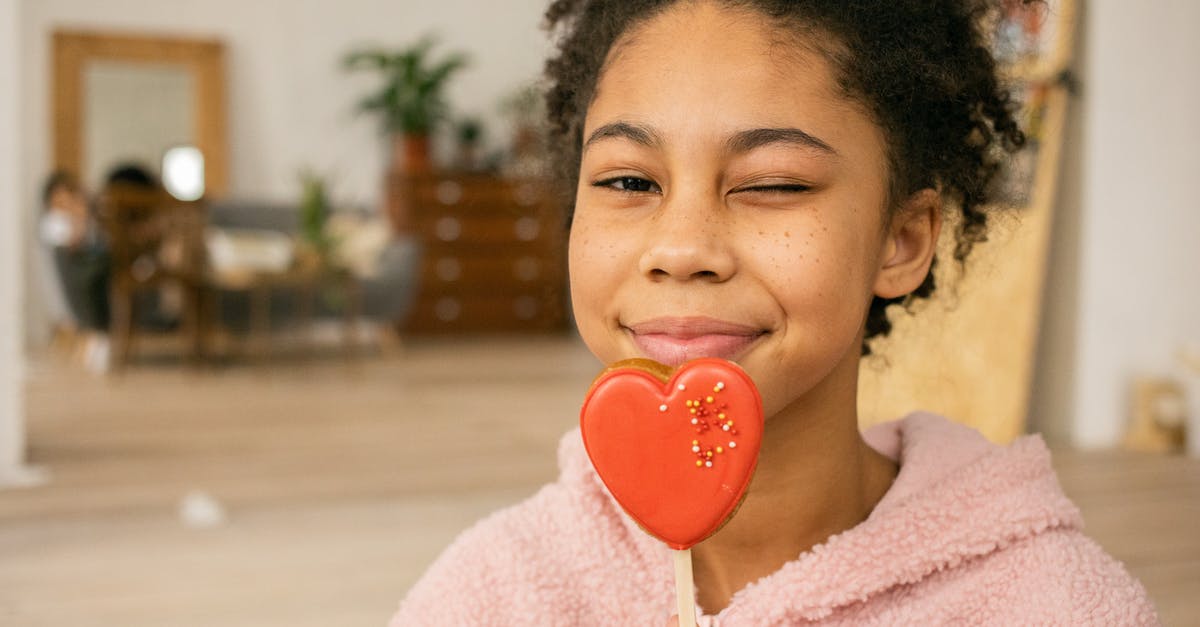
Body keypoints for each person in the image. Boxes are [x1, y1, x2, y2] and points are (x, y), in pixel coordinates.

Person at [392, 1, 1159, 624]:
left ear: (901, 238)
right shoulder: (496, 589)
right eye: (628, 181)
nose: (683, 247)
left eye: (776, 184)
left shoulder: (1050, 602)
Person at [40, 170, 112, 372]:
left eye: (69, 193)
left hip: (86, 270)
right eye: (61, 194)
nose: (66, 199)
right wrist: (80, 214)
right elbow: (75, 243)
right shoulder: (53, 222)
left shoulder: (73, 217)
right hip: (79, 276)